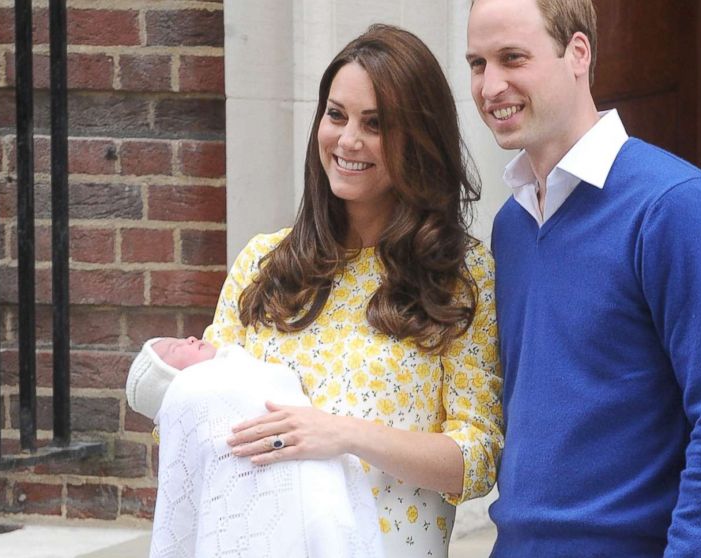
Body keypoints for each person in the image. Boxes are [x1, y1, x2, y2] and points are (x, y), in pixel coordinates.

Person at [465, 1, 701, 556]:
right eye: (478, 64)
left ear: (577, 53)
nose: (491, 86)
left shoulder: (676, 207)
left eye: (513, 58)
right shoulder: (512, 225)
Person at [206, 24, 503, 558]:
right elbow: (199, 417)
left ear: (420, 138)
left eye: (376, 124)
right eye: (336, 115)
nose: (347, 140)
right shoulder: (262, 263)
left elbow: (477, 459)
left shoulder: (460, 275)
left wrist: (345, 434)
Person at [126, 336, 383, 558]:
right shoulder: (193, 391)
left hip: (321, 473)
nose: (190, 339)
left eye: (182, 338)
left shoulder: (243, 366)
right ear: (169, 384)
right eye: (174, 348)